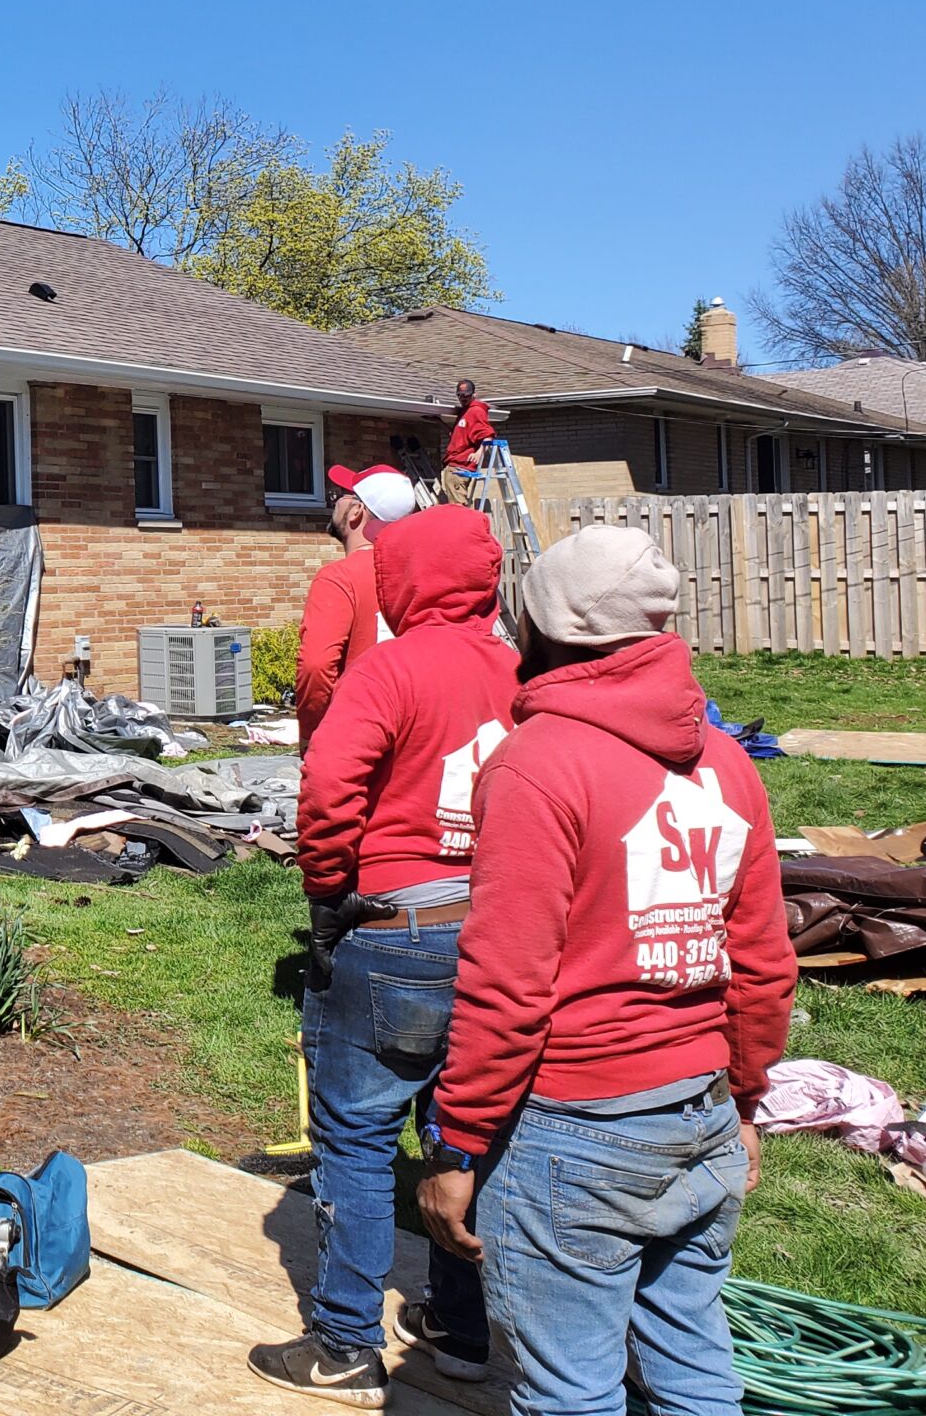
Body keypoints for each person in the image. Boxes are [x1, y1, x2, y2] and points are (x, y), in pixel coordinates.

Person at [417, 526, 796, 1416]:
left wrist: (458, 1144)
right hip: (697, 1109)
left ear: (543, 628)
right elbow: (765, 963)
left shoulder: (538, 765)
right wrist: (741, 1100)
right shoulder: (727, 764)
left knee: (568, 1391)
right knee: (694, 1365)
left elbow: (507, 981)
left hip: (576, 1126)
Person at [248, 504, 518, 1408]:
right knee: (464, 1131)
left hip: (398, 925)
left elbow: (329, 790)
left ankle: (342, 1344)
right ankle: (462, 1328)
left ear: (399, 583)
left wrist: (327, 895)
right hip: (498, 929)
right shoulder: (527, 672)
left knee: (358, 1139)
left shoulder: (392, 668)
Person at [296, 464, 420, 744]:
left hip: (356, 735)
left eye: (343, 494)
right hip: (411, 732)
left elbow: (316, 666)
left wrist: (312, 734)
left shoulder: (339, 579)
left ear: (356, 512)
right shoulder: (418, 575)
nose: (335, 501)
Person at [439, 380, 493, 505]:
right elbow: (457, 436)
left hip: (460, 467)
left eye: (466, 395)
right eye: (460, 395)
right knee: (453, 505)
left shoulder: (476, 411)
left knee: (458, 507)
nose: (463, 398)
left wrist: (479, 453)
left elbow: (488, 435)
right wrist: (439, 422)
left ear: (474, 394)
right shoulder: (465, 411)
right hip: (454, 465)